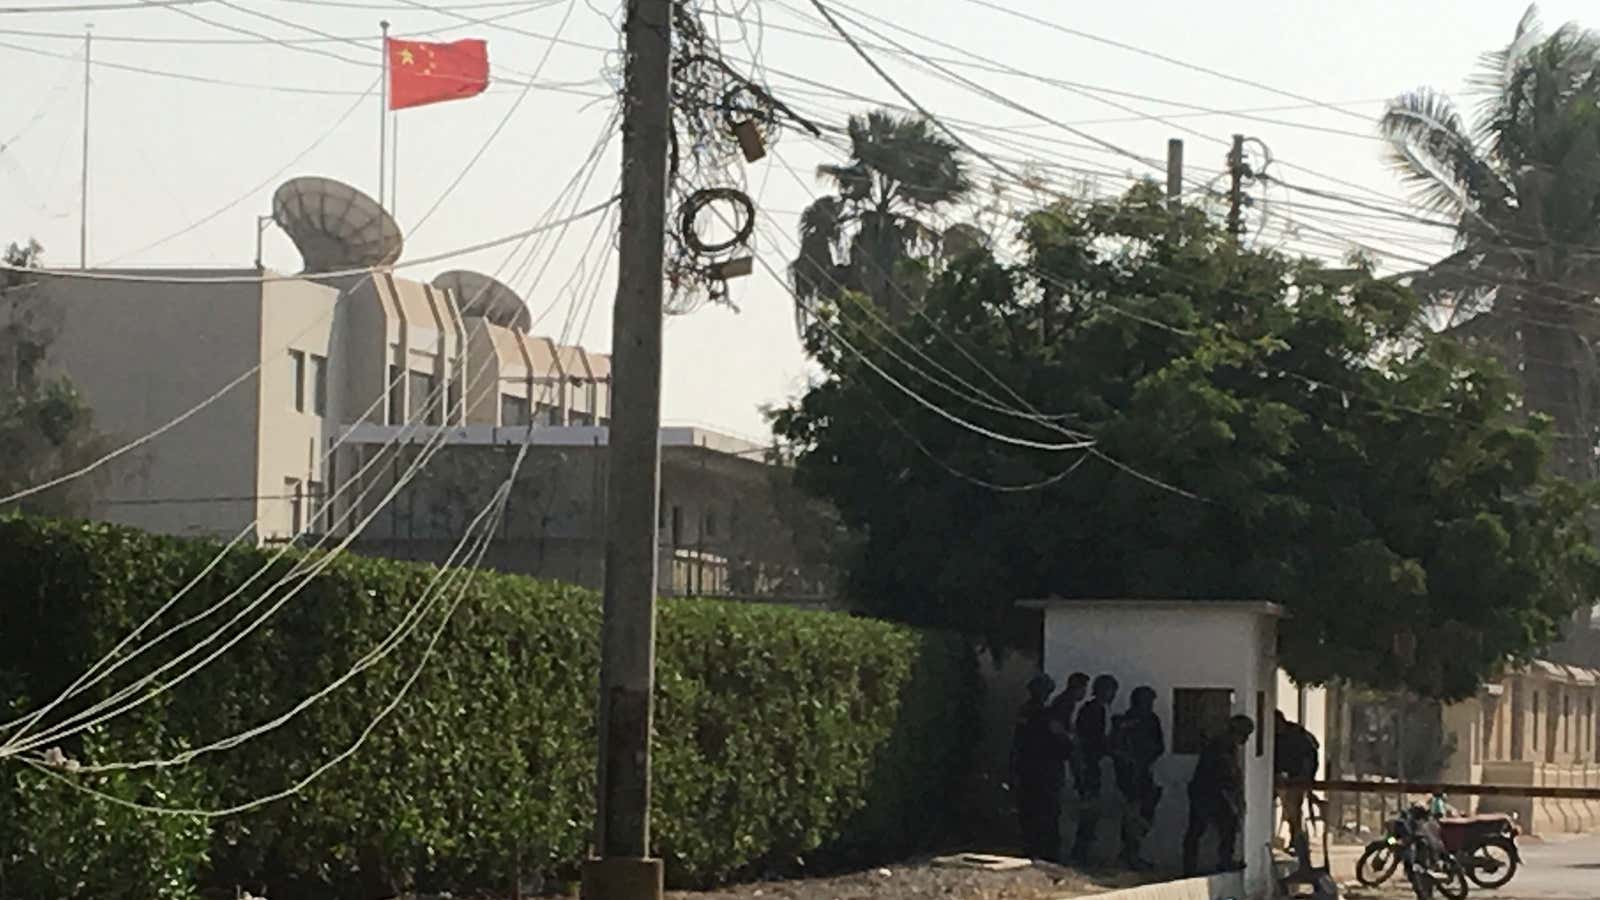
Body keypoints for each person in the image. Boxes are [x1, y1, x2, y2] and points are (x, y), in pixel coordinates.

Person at [1183, 714, 1254, 877]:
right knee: (1219, 826)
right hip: (1210, 792)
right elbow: (1227, 773)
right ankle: (1219, 862)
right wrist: (1235, 797)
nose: (1246, 740)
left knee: (1203, 829)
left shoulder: (1224, 744)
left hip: (1208, 791)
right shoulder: (1223, 745)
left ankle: (1194, 866)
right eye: (1246, 735)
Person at [1011, 672, 1069, 861]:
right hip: (1045, 771)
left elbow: (1017, 743)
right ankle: (1045, 851)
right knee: (1045, 812)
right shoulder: (1046, 714)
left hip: (1029, 769)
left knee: (1031, 811)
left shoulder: (1025, 712)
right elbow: (1061, 740)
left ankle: (1034, 849)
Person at [1111, 686, 1164, 870]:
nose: (1148, 705)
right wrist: (1129, 761)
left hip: (1144, 771)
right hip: (1127, 774)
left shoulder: (1151, 720)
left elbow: (1159, 746)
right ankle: (1129, 853)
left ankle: (1132, 852)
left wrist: (1146, 760)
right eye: (1146, 701)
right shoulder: (1123, 721)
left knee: (1146, 812)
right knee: (1131, 813)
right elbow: (1115, 747)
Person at [1070, 674, 1119, 864]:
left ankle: (1083, 850)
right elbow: (1091, 739)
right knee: (1089, 808)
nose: (1113, 694)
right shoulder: (1093, 710)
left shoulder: (1101, 709)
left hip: (1093, 764)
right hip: (1088, 765)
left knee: (1092, 809)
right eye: (1110, 690)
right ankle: (1080, 852)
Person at [1274, 710, 1320, 859]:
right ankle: (1296, 841)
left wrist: (1305, 779)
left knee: (1293, 810)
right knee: (1291, 810)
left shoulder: (1296, 736)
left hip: (1297, 778)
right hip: (1284, 777)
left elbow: (1310, 754)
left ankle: (1297, 842)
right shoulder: (1278, 736)